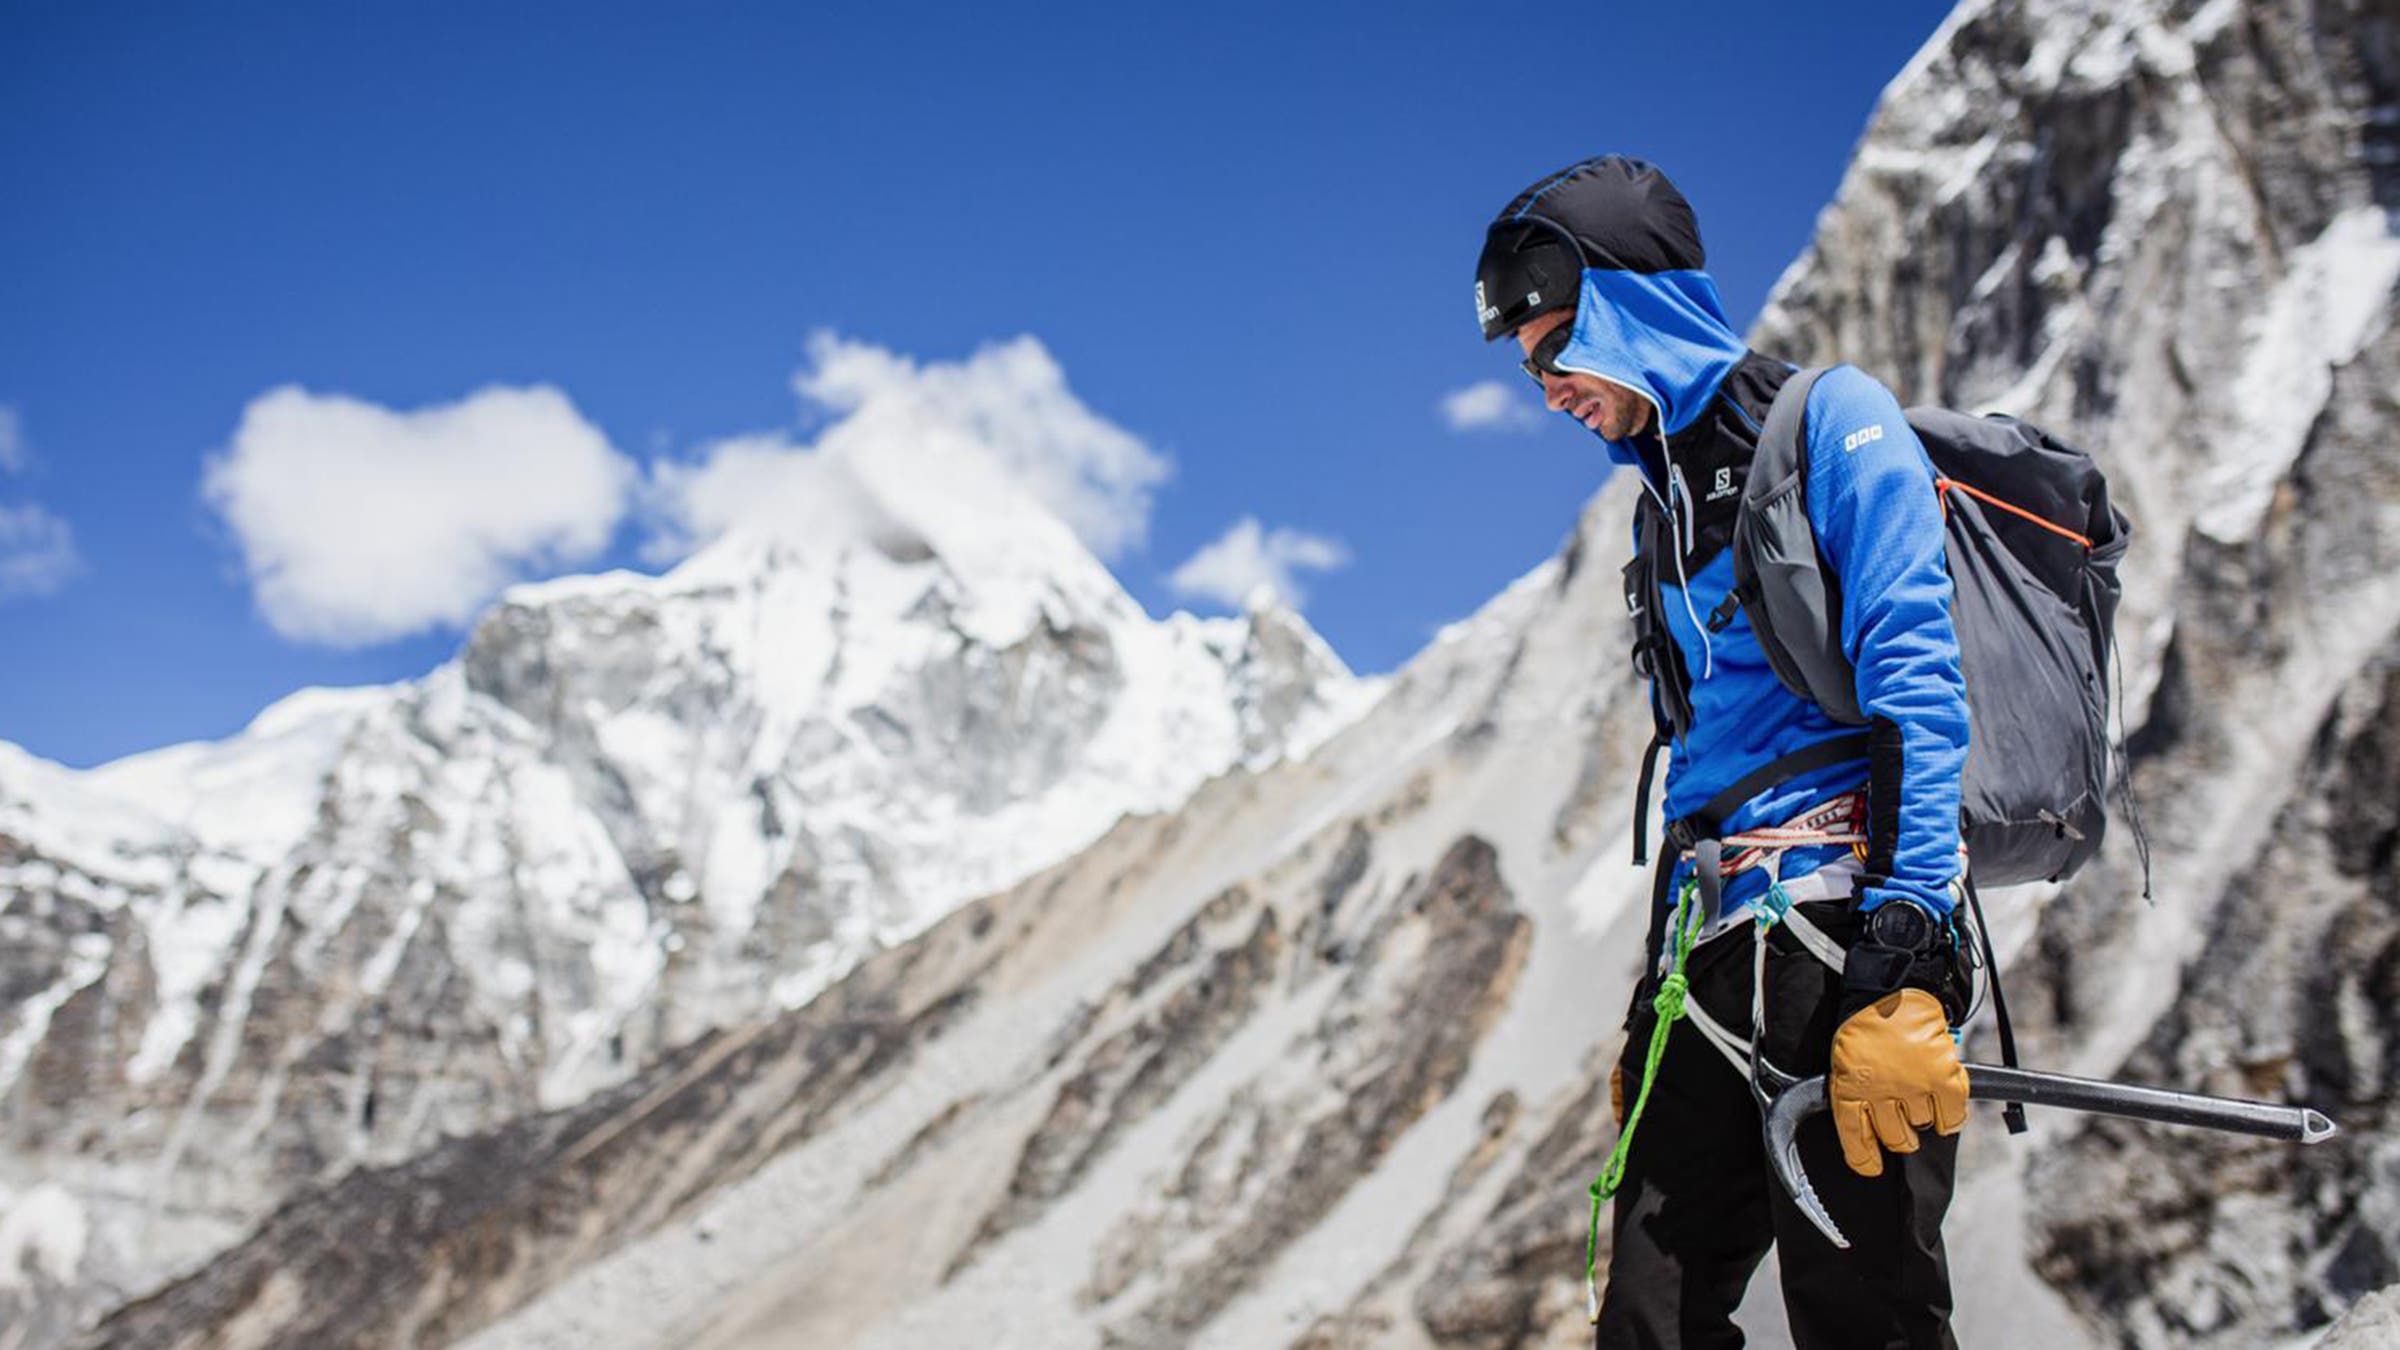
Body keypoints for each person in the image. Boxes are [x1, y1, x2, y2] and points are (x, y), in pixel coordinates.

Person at [1474, 155, 1975, 1349]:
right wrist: (1653, 994)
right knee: (1649, 1319)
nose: (1546, 389)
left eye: (1554, 349)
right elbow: (1693, 768)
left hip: (1841, 941)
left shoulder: (1830, 423)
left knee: (1867, 1319)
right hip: (1711, 960)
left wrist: (1906, 958)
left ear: (1624, 306)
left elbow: (1916, 680)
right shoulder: (1660, 513)